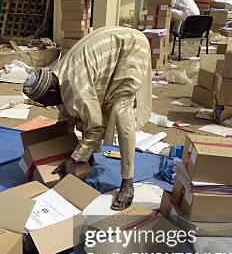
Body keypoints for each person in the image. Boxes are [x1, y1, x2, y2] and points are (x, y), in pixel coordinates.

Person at [22, 27, 152, 211]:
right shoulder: (56, 76)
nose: (47, 106)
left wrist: (74, 160)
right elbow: (67, 114)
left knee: (122, 116)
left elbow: (95, 127)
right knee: (84, 113)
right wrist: (58, 147)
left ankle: (127, 183)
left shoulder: (77, 89)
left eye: (45, 102)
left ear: (51, 91)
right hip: (110, 49)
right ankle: (89, 157)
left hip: (130, 48)